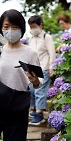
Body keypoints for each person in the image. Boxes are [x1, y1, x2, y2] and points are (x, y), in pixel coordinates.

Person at [0, 9, 41, 141]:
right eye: (6, 26)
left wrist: (35, 81)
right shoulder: (0, 51)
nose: (10, 30)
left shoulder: (31, 53)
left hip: (18, 108)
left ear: (22, 28)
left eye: (15, 27)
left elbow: (38, 84)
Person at [28, 15, 56, 125]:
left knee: (40, 91)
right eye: (30, 27)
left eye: (34, 26)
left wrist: (51, 68)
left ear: (41, 25)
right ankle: (35, 110)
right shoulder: (31, 39)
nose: (32, 29)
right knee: (32, 91)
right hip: (32, 69)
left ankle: (39, 115)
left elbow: (52, 53)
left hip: (43, 68)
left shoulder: (47, 37)